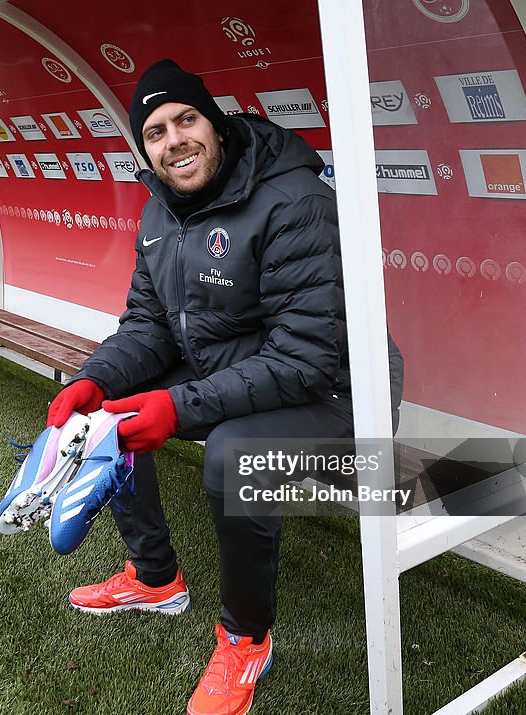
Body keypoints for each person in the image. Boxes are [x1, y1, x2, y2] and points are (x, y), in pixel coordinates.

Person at [46, 59, 403, 715]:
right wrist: (93, 379)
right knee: (106, 413)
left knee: (232, 454)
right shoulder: (160, 211)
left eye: (187, 119)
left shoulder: (293, 198)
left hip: (340, 391)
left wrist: (178, 404)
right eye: (155, 132)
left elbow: (305, 358)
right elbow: (148, 327)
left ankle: (245, 637)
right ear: (145, 149)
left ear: (214, 124)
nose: (175, 140)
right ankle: (155, 578)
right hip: (241, 366)